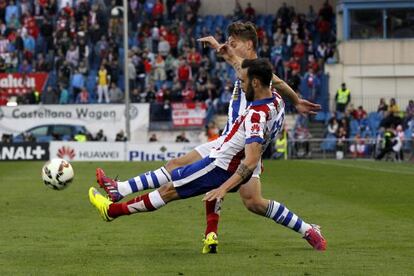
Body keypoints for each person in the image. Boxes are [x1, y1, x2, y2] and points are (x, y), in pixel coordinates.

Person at [94, 21, 322, 253]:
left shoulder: (256, 85)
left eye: (235, 42)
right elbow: (266, 78)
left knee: (192, 183)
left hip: (234, 148)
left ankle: (116, 205)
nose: (230, 45)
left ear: (249, 45)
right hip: (235, 145)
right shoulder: (264, 84)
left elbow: (272, 83)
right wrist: (295, 101)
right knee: (248, 199)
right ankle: (304, 230)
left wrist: (294, 101)